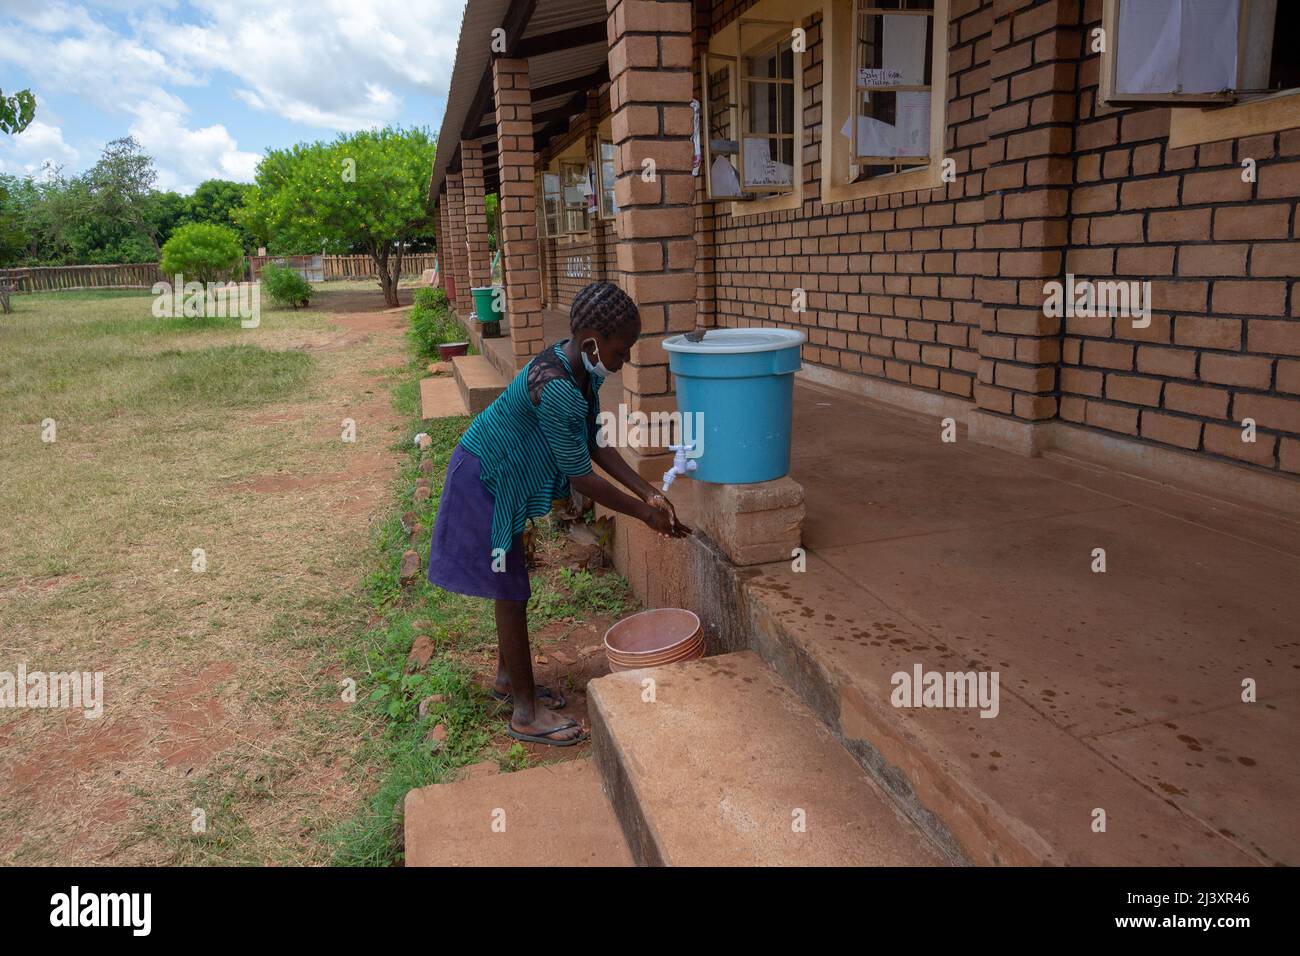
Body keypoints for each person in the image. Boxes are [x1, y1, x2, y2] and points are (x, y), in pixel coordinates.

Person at [427, 281, 690, 746]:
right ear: (591, 344)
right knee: (509, 590)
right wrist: (642, 515)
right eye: (620, 350)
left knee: (514, 589)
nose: (624, 359)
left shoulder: (578, 371)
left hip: (494, 475)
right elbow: (581, 477)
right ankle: (525, 713)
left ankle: (510, 680)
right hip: (485, 482)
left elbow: (593, 443)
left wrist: (648, 491)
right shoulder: (559, 389)